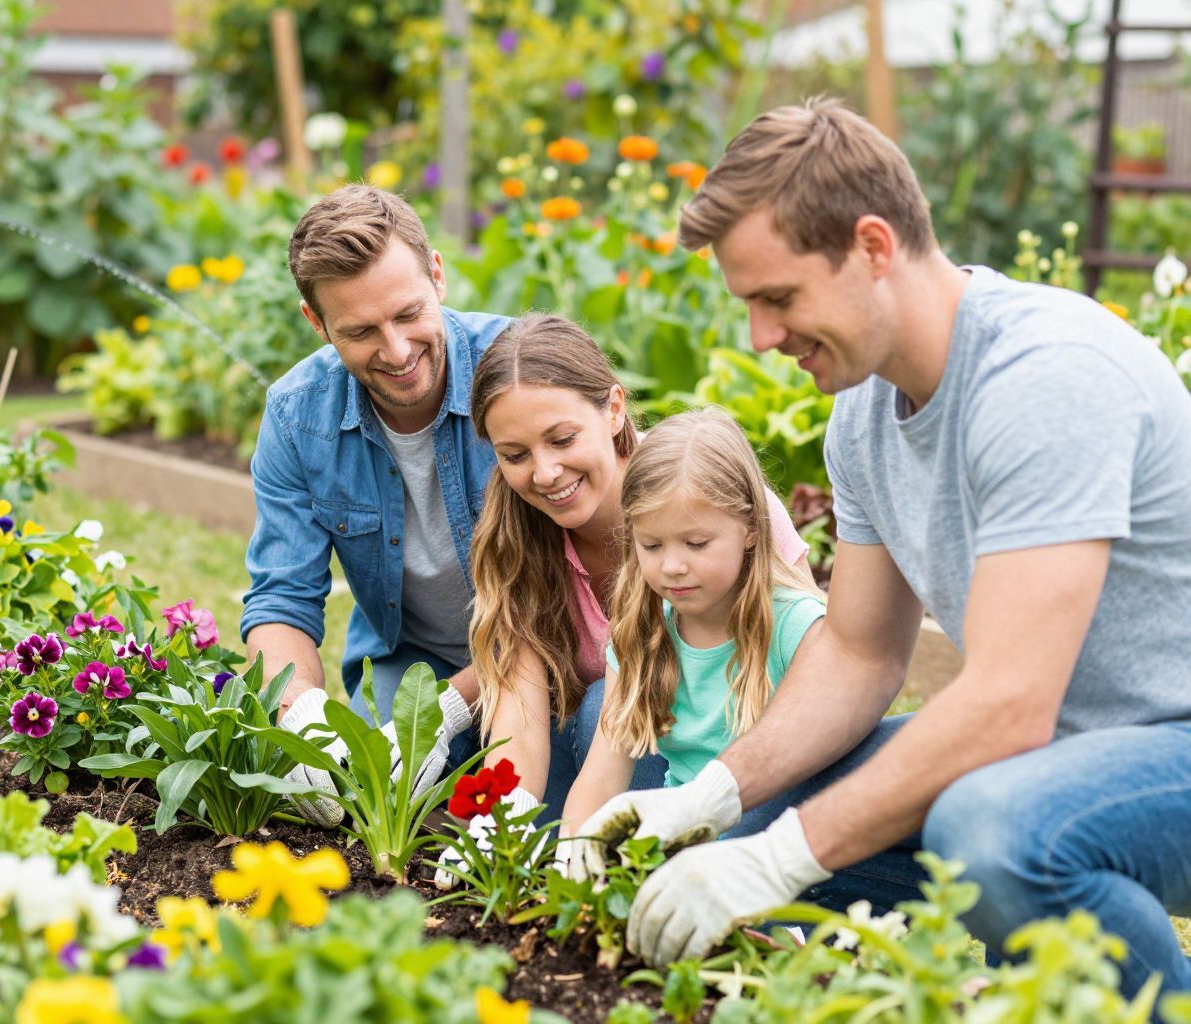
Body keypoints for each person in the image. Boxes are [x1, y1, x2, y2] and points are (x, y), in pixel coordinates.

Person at [574, 97, 1191, 1007]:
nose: (761, 336)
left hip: (1168, 740)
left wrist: (782, 860)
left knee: (992, 831)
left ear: (872, 247)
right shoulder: (863, 416)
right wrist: (716, 795)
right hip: (1063, 754)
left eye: (778, 298)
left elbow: (1012, 704)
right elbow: (860, 653)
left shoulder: (1043, 379)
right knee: (776, 804)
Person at [458, 315, 808, 826]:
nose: (545, 472)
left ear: (615, 409)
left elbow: (818, 667)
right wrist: (498, 825)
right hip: (603, 755)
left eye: (562, 439)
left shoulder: (710, 497)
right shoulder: (519, 535)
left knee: (611, 696)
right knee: (566, 719)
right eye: (515, 455)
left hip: (737, 767)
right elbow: (522, 716)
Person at [240, 184, 510, 826]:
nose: (394, 351)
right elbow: (280, 597)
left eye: (407, 314)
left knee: (536, 810)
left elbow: (582, 598)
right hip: (409, 661)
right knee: (369, 809)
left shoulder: (521, 376)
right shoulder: (297, 415)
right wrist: (299, 712)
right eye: (359, 331)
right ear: (316, 322)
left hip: (538, 656)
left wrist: (450, 708)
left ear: (438, 274)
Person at [554, 408, 824, 854]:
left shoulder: (796, 627)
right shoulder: (643, 632)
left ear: (752, 530)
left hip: (781, 853)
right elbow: (603, 775)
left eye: (697, 544)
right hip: (680, 846)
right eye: (652, 545)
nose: (673, 566)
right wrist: (573, 850)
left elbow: (821, 776)